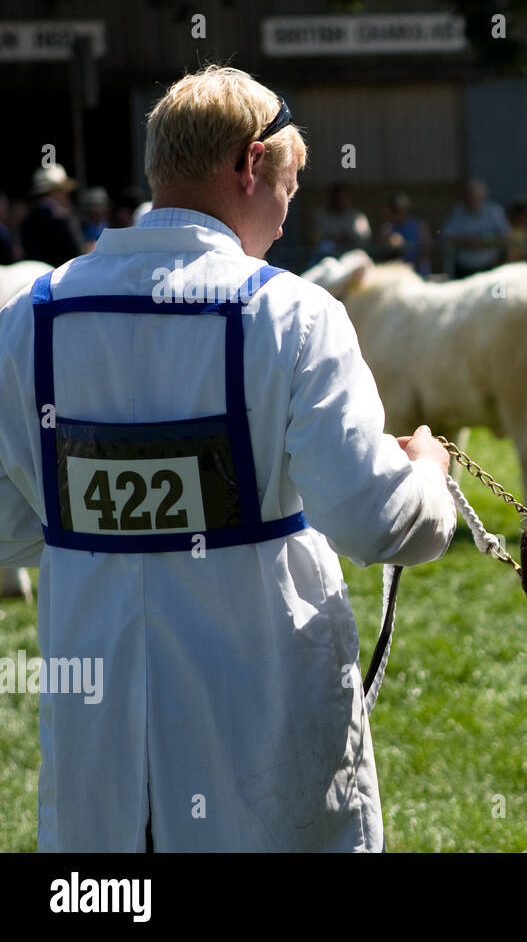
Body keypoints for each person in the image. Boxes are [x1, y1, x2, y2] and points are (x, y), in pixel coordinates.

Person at [0, 65, 458, 852]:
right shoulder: (293, 313)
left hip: (101, 751)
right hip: (260, 730)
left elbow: (11, 530)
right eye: (288, 184)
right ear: (250, 164)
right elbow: (375, 523)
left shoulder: (27, 320)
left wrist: (121, 537)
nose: (285, 216)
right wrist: (429, 477)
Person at [440, 179, 509, 279]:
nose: (472, 198)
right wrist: (467, 242)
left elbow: (505, 236)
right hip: (463, 270)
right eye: (470, 195)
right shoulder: (457, 212)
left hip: (490, 269)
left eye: (476, 195)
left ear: (483, 195)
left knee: (495, 295)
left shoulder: (494, 212)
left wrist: (484, 240)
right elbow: (446, 236)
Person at [20, 164, 84, 266]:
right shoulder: (62, 219)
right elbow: (76, 254)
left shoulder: (26, 221)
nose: (66, 196)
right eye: (64, 190)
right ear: (56, 191)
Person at [311, 182, 372, 261]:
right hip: (329, 256)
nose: (340, 200)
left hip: (351, 254)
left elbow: (364, 239)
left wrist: (349, 236)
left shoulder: (357, 216)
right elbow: (315, 239)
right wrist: (334, 237)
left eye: (344, 196)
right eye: (337, 197)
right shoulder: (322, 215)